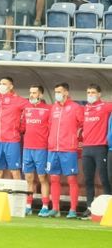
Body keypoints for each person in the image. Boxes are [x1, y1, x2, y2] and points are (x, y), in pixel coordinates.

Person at [41, 84, 83, 218]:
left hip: (68, 149)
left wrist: (78, 141)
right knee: (53, 179)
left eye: (59, 91)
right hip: (53, 149)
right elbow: (49, 126)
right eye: (55, 92)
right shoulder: (53, 108)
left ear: (66, 92)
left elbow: (83, 126)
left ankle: (72, 209)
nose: (57, 94)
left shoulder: (76, 107)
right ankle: (55, 208)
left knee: (71, 180)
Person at [80, 85, 112, 217]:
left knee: (105, 178)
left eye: (93, 92)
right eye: (88, 92)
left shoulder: (105, 106)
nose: (90, 95)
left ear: (99, 94)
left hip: (100, 147)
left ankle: (109, 207)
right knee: (88, 179)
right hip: (86, 148)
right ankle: (89, 207)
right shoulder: (85, 108)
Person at [0, 76, 28, 180]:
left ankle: (19, 196)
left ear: (11, 86)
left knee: (15, 171)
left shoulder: (18, 100)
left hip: (12, 141)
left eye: (4, 84)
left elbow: (31, 109)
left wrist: (22, 126)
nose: (1, 86)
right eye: (0, 84)